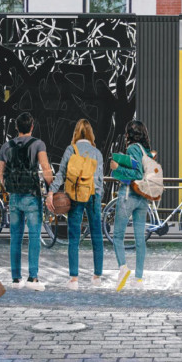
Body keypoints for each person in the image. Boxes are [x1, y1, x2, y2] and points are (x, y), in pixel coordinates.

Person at [0, 112, 53, 291]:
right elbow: (45, 168)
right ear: (32, 126)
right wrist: (51, 188)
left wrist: (8, 186)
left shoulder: (6, 146)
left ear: (16, 128)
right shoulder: (38, 144)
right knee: (34, 236)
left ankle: (15, 279)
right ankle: (33, 278)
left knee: (15, 238)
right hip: (32, 195)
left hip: (14, 197)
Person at [47, 119, 104, 290]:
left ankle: (74, 279)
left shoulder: (71, 150)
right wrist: (97, 196)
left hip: (74, 196)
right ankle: (97, 277)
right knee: (97, 236)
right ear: (91, 134)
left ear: (76, 134)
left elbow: (61, 173)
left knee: (74, 238)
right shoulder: (97, 153)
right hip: (93, 196)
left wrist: (51, 191)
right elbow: (99, 179)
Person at [110, 120, 153, 292]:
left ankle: (123, 268)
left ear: (129, 134)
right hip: (143, 198)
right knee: (139, 239)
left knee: (118, 235)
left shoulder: (132, 149)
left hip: (128, 195)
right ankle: (139, 278)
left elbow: (136, 173)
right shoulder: (146, 152)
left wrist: (117, 167)